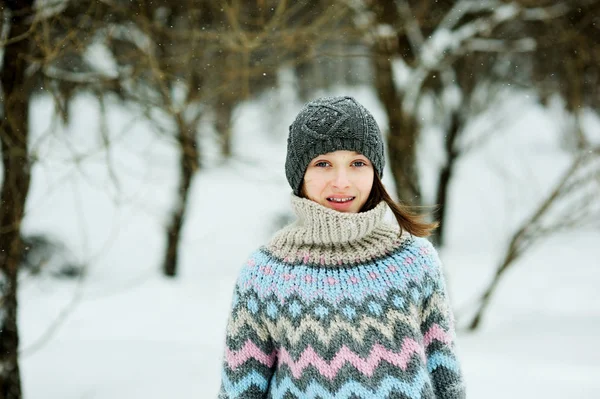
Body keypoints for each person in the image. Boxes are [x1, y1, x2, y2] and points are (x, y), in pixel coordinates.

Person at [217, 96, 466, 398]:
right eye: (323, 163)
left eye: (358, 163)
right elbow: (239, 391)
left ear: (375, 172)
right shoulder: (265, 273)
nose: (341, 181)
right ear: (299, 175)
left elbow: (447, 378)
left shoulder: (415, 260)